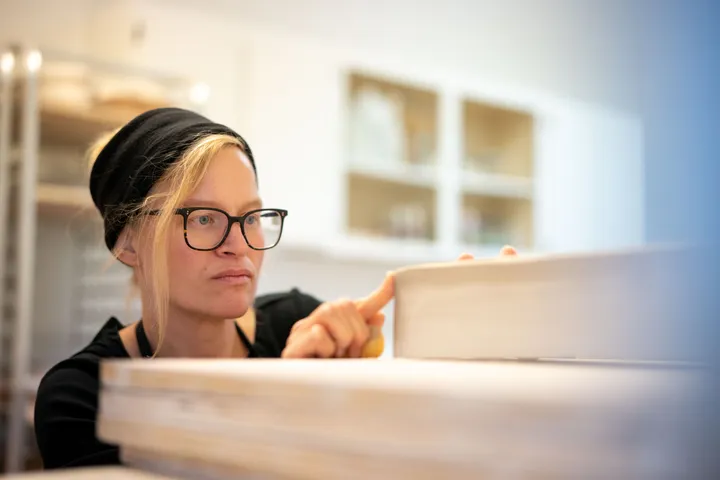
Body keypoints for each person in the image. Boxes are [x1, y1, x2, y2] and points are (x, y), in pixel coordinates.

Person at [33, 107, 516, 469]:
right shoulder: (81, 396)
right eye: (203, 218)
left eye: (252, 216)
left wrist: (464, 338)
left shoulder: (298, 325)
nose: (239, 244)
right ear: (128, 243)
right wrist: (281, 397)